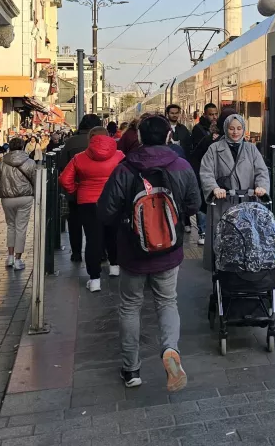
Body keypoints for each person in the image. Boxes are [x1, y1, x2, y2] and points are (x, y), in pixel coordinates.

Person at [97, 115, 198, 392]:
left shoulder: (125, 168)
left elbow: (105, 211)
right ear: (168, 136)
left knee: (130, 306)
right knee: (167, 302)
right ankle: (170, 349)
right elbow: (194, 204)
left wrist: (127, 224)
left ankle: (131, 370)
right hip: (169, 250)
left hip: (132, 252)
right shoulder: (181, 166)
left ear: (139, 137)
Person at [199, 112, 269, 272]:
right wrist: (214, 188)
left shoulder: (251, 149)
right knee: (222, 238)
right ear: (226, 129)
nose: (235, 132)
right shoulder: (214, 149)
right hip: (223, 203)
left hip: (247, 203)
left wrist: (261, 187)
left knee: (246, 238)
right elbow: (206, 172)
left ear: (243, 129)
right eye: (231, 128)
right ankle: (220, 271)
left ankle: (245, 269)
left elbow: (262, 171)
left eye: (239, 128)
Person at [60, 127, 125, 292]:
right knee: (113, 235)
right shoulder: (119, 156)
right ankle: (115, 266)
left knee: (93, 240)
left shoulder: (79, 158)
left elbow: (65, 179)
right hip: (113, 201)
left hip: (87, 202)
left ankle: (95, 279)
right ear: (108, 137)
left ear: (90, 139)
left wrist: (77, 190)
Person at [58, 113, 102, 262]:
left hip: (76, 192)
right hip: (99, 192)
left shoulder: (71, 142)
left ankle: (76, 253)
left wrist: (71, 189)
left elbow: (62, 166)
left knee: (75, 223)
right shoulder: (104, 142)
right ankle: (99, 253)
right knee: (96, 225)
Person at [0, 137, 37, 271]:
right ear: (22, 147)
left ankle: (10, 257)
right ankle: (18, 259)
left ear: (9, 147)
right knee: (21, 227)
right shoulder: (30, 163)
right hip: (25, 197)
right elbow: (36, 181)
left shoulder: (2, 163)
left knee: (11, 226)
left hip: (7, 198)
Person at [187, 103, 219, 242]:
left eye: (216, 114)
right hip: (201, 168)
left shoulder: (219, 129)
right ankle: (202, 230)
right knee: (203, 197)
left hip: (215, 169)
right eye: (211, 114)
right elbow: (198, 150)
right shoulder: (198, 129)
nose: (214, 117)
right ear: (205, 115)